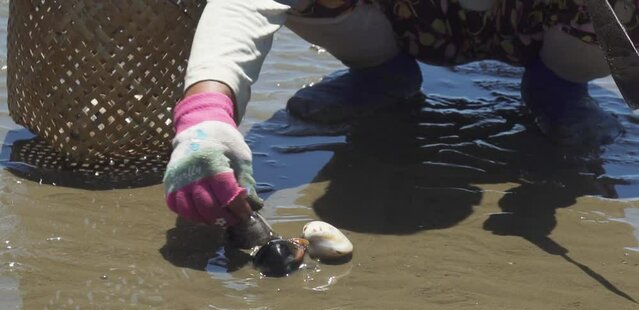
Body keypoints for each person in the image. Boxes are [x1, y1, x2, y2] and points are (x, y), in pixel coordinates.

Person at [163, 0, 639, 227]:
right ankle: (382, 74)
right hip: (405, 21)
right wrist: (206, 115)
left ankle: (556, 89)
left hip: (546, 27)